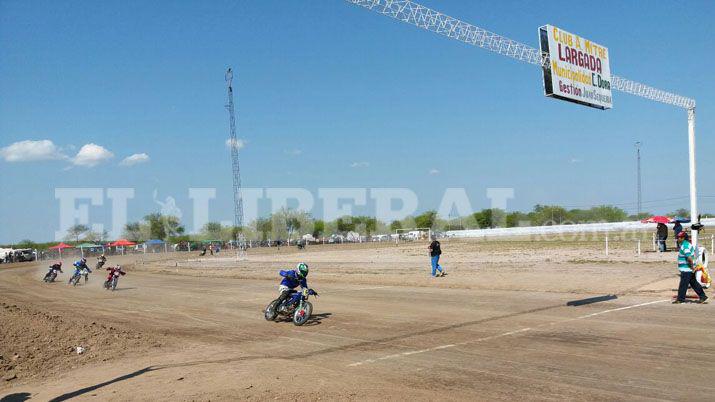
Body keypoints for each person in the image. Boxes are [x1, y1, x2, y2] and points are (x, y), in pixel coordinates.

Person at [673, 231, 708, 304]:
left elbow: (689, 258)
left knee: (683, 284)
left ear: (683, 238)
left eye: (679, 238)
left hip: (687, 269)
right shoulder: (686, 244)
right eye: (678, 237)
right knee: (694, 283)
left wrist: (692, 267)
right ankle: (703, 296)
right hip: (688, 269)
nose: (678, 239)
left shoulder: (685, 246)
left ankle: (680, 299)